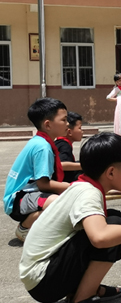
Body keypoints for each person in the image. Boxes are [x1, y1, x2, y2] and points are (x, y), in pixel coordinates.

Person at [19, 132, 121, 303]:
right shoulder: (88, 194)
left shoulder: (82, 186)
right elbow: (100, 237)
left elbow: (100, 222)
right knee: (114, 226)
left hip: (44, 274)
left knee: (115, 218)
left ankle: (85, 287)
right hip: (45, 281)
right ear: (111, 172)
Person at [4, 98, 71, 242]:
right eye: (64, 120)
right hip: (18, 200)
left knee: (66, 197)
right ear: (48, 124)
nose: (67, 124)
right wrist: (73, 187)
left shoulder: (40, 141)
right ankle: (25, 228)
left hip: (25, 197)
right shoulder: (42, 147)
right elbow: (43, 184)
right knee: (60, 202)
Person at [55, 111, 84, 183]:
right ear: (69, 132)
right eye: (80, 128)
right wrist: (84, 166)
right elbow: (61, 165)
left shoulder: (59, 143)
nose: (82, 131)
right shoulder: (64, 145)